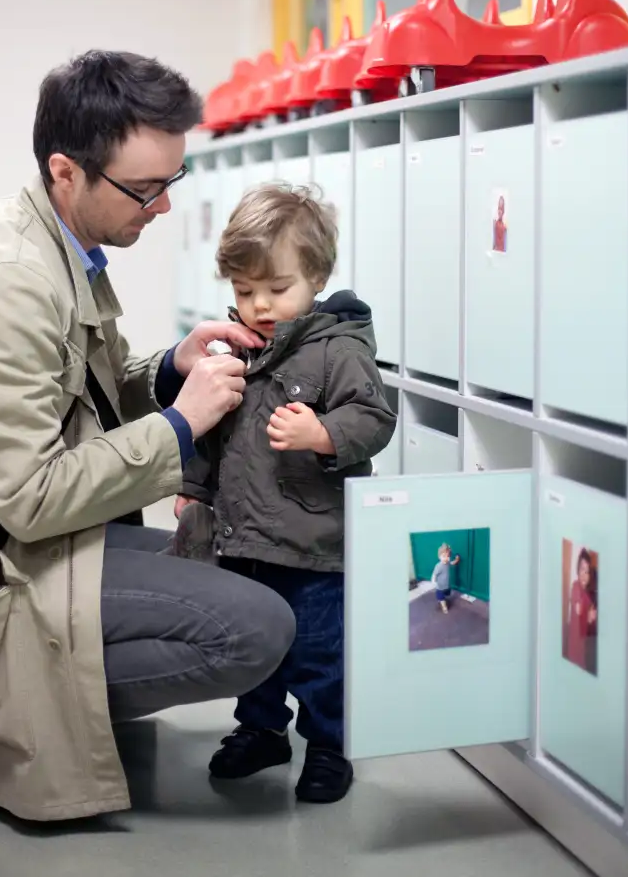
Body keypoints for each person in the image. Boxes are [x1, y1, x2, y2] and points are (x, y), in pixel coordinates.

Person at [0, 50, 297, 822]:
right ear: (66, 171)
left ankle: (51, 698)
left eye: (170, 182)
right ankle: (1, 709)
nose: (164, 207)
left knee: (213, 556)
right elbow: (33, 496)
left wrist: (171, 371)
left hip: (21, 543)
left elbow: (86, 398)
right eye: (146, 189)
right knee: (258, 628)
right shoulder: (9, 280)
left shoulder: (64, 244)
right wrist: (181, 426)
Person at [174, 184, 397, 803]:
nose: (260, 305)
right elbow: (210, 429)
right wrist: (192, 489)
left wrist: (322, 433)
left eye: (277, 289)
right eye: (245, 292)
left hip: (315, 546)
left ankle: (329, 744)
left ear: (317, 276)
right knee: (255, 647)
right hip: (244, 538)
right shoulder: (237, 350)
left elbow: (375, 420)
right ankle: (262, 730)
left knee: (319, 654)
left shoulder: (339, 350)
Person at [565, 547, 598, 673]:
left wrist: (592, 617)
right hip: (573, 645)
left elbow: (589, 622)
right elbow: (578, 610)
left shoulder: (588, 596)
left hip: (583, 647)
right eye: (582, 570)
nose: (584, 575)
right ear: (577, 571)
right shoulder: (575, 587)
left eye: (587, 571)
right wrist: (587, 612)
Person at [431, 544, 461, 614]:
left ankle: (442, 599)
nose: (446, 558)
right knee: (441, 598)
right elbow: (434, 574)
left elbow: (452, 563)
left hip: (446, 585)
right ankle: (444, 607)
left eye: (448, 556)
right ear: (439, 557)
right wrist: (433, 581)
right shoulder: (438, 566)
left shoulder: (447, 563)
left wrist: (457, 559)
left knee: (446, 594)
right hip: (440, 587)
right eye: (444, 556)